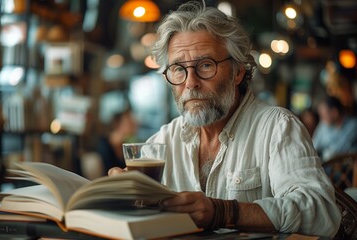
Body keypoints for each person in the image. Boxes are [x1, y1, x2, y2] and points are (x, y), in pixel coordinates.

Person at [109, 1, 341, 237]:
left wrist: (223, 212)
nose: (190, 83)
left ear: (238, 72)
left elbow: (322, 213)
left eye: (206, 65)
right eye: (179, 68)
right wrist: (124, 194)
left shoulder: (277, 127)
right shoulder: (166, 139)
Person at [313, 95, 357, 161]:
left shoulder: (353, 125)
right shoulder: (323, 125)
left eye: (323, 114)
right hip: (326, 165)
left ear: (335, 113)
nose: (321, 118)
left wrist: (324, 152)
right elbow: (314, 146)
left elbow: (338, 150)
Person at [98, 108, 138, 173]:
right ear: (118, 124)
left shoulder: (127, 146)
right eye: (129, 121)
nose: (134, 124)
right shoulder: (103, 144)